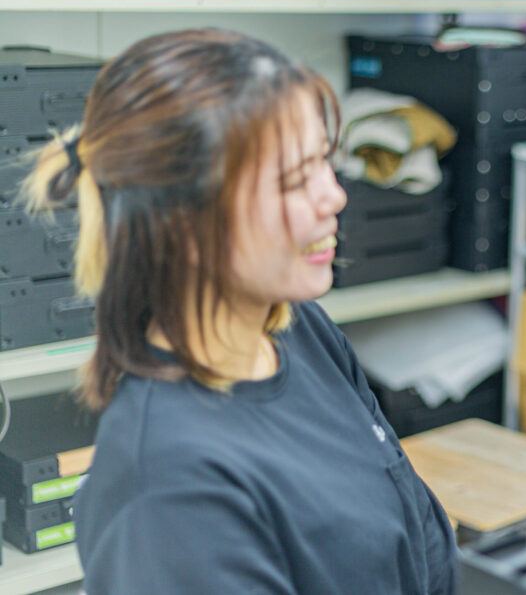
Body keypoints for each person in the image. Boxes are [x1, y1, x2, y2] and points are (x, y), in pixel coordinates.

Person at [22, 29, 456, 594]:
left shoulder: (301, 330)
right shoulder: (166, 485)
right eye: (295, 178)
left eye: (325, 162)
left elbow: (417, 536)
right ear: (183, 222)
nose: (335, 195)